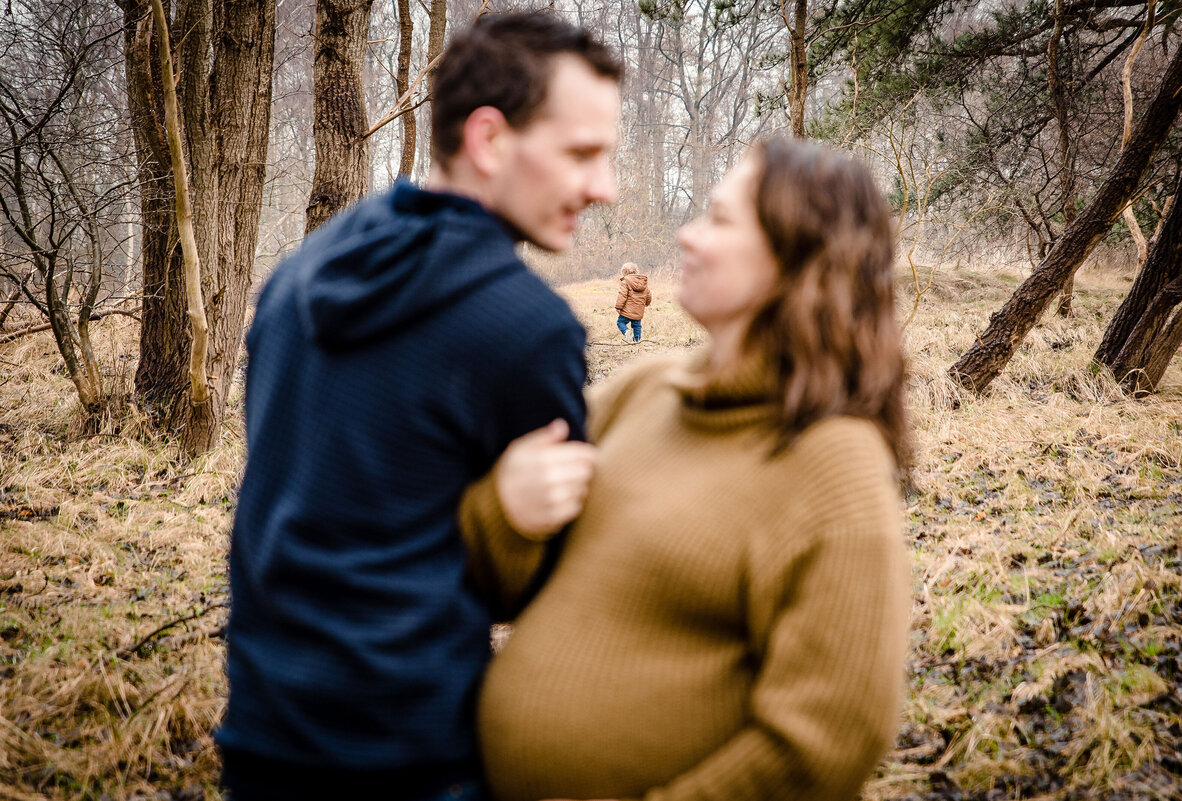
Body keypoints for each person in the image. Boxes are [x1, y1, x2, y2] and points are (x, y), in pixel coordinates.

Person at [217, 12, 621, 801]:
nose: (604, 187)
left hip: (260, 738)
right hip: (411, 757)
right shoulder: (528, 328)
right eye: (582, 154)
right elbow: (557, 587)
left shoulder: (304, 274)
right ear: (489, 140)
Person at [461, 138, 912, 801]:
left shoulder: (832, 464)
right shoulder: (646, 389)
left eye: (720, 221)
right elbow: (488, 583)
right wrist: (509, 513)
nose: (687, 236)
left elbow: (827, 741)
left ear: (799, 257)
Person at [615, 262, 652, 342]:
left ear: (624, 272)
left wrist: (618, 307)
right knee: (637, 326)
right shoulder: (643, 282)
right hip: (639, 309)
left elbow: (622, 295)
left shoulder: (625, 281)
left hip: (627, 310)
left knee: (620, 322)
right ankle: (637, 340)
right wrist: (647, 303)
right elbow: (648, 294)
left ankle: (626, 331)